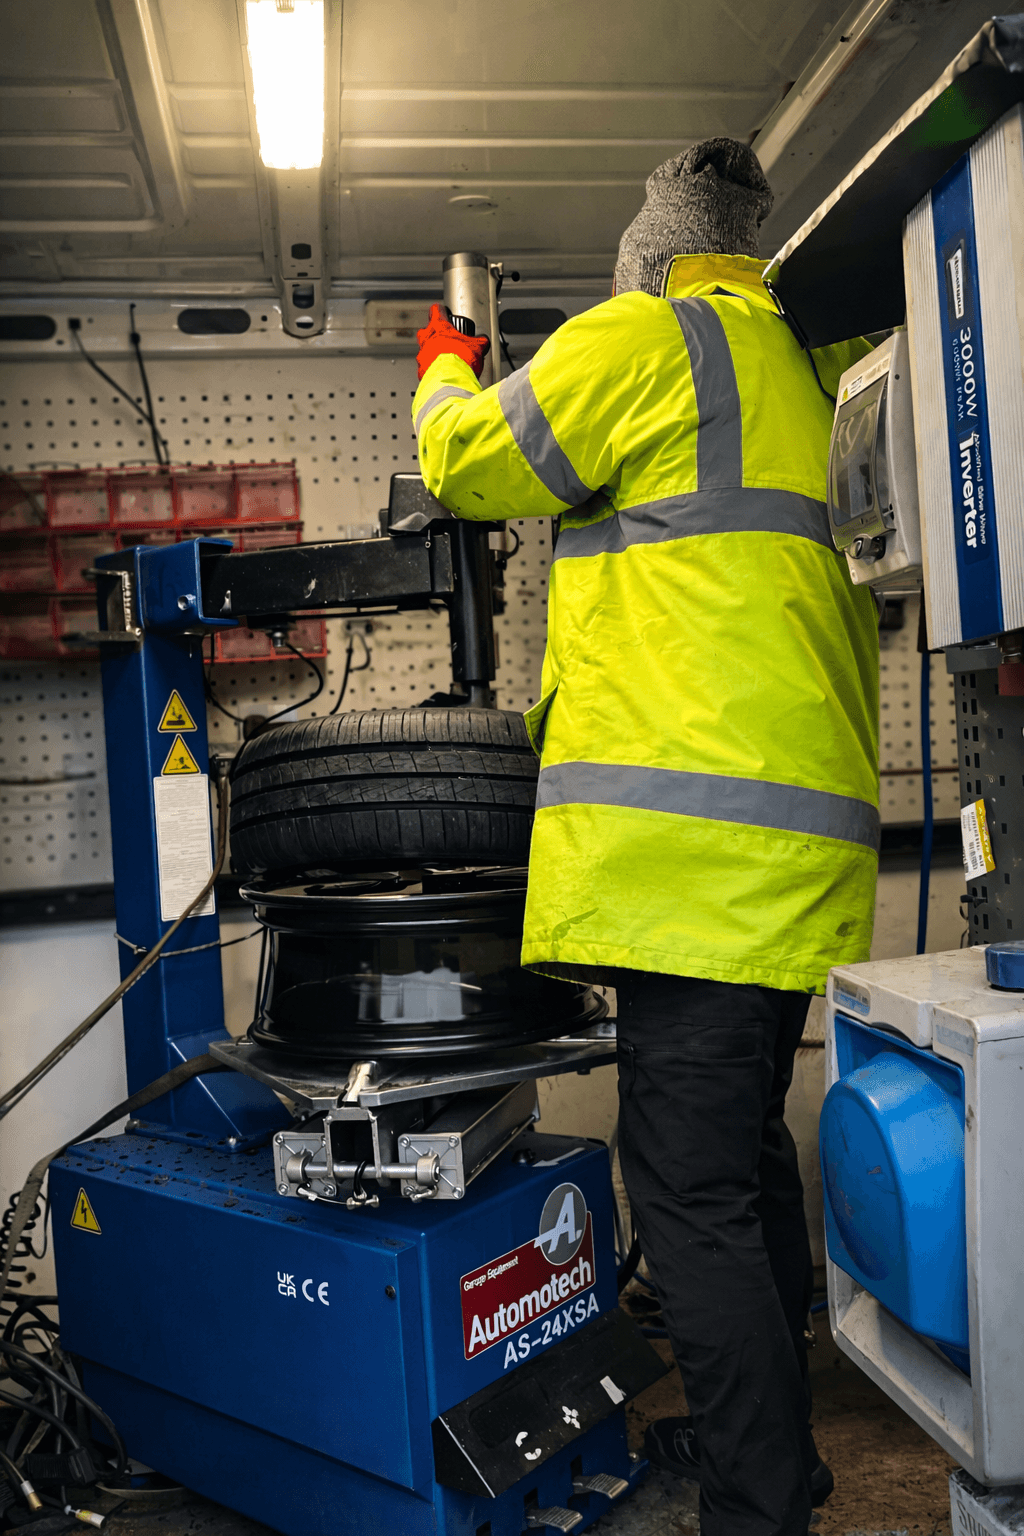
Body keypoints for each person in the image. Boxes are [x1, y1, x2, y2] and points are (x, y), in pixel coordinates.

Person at [412, 138, 879, 1536]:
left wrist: (444, 357)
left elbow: (466, 462)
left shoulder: (648, 337)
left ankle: (754, 1507)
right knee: (739, 1166)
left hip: (693, 861)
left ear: (653, 256)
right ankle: (774, 1462)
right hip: (784, 856)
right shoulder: (799, 364)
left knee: (688, 1201)